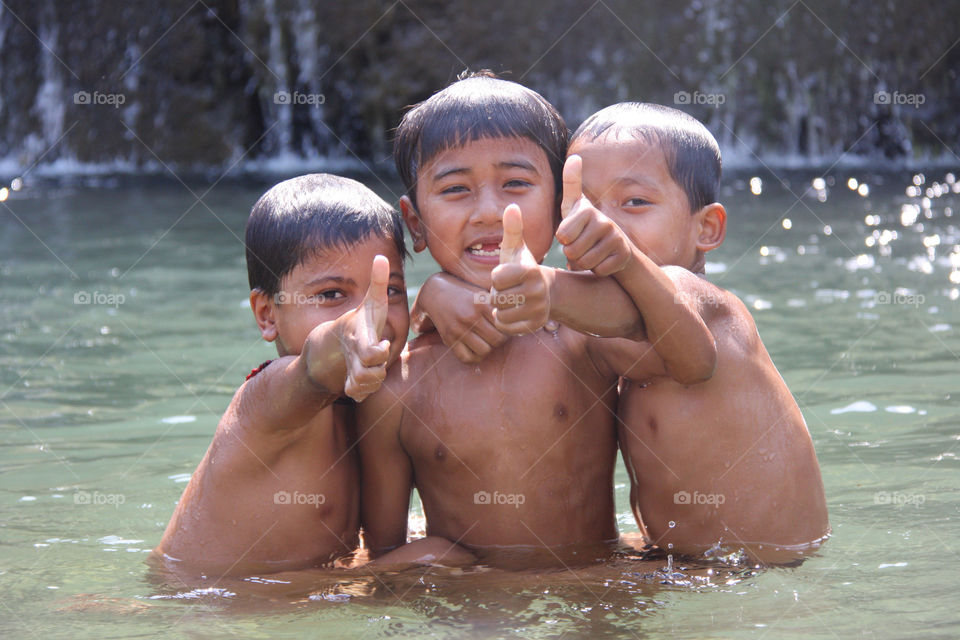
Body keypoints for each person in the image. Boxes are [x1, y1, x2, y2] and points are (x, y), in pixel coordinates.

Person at [422, 102, 830, 563]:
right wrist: (435, 294)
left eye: (634, 202)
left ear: (707, 228)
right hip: (681, 565)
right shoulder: (594, 328)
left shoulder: (705, 304)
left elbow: (664, 333)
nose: (601, 225)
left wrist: (556, 286)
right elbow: (537, 321)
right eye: (580, 205)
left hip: (766, 570)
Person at [357, 73, 715, 568]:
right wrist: (432, 295)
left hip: (597, 594)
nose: (489, 210)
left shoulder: (585, 335)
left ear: (559, 204)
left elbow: (694, 359)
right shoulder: (396, 386)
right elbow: (383, 551)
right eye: (456, 188)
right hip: (475, 609)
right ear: (415, 223)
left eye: (517, 184)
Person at [154, 173, 411, 577]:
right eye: (331, 295)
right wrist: (344, 335)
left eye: (390, 291)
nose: (371, 317)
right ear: (267, 313)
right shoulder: (265, 401)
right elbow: (314, 365)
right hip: (208, 607)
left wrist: (446, 297)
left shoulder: (379, 394)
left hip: (304, 592)